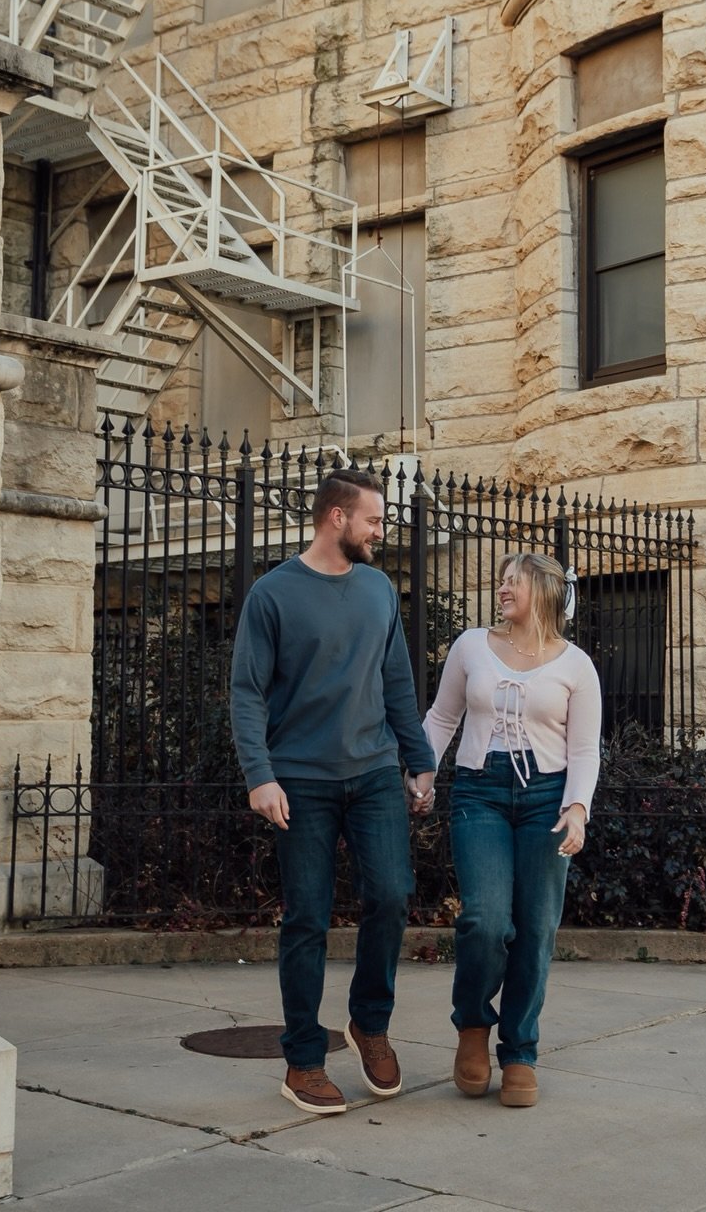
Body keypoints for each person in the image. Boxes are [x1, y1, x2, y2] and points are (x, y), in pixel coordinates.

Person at [230, 468, 437, 1116]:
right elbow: (247, 690)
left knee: (391, 895)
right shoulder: (272, 594)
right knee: (307, 919)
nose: (381, 531)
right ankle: (303, 1061)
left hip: (374, 772)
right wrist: (260, 775)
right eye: (374, 520)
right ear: (336, 517)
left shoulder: (378, 590)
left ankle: (369, 1024)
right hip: (301, 781)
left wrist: (420, 760)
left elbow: (397, 679)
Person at [423, 552, 602, 1108]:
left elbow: (584, 749)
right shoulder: (471, 646)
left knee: (536, 927)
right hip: (480, 792)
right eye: (501, 582)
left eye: (513, 582)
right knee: (485, 919)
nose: (502, 590)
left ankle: (520, 1050)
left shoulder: (577, 665)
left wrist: (577, 808)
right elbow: (442, 717)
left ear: (543, 592)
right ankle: (473, 1025)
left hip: (548, 797)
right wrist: (422, 772)